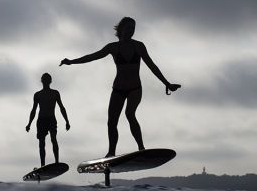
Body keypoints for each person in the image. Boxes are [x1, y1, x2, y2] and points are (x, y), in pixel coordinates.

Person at [60, 16, 180, 157]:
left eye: (133, 28)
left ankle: (141, 148)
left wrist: (167, 84)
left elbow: (152, 66)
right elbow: (92, 56)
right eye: (129, 28)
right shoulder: (113, 47)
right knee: (112, 122)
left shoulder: (139, 46)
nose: (131, 31)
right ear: (121, 29)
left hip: (135, 88)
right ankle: (111, 152)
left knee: (130, 114)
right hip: (118, 89)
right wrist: (71, 62)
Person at [26, 73, 70, 167]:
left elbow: (62, 108)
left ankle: (57, 162)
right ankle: (42, 165)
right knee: (42, 143)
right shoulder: (38, 95)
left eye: (47, 79)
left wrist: (67, 121)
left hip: (51, 119)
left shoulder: (55, 93)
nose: (45, 81)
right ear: (42, 81)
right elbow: (33, 110)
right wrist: (29, 123)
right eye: (44, 79)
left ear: (50, 81)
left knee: (53, 139)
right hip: (41, 120)